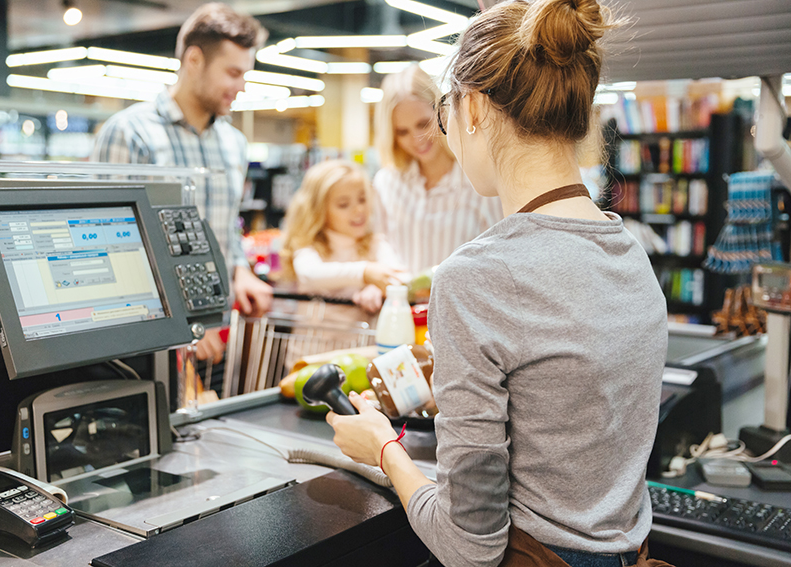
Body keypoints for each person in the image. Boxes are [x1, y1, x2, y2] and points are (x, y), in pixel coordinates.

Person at [327, 1, 671, 567]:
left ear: (477, 109)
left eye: (445, 110)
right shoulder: (630, 252)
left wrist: (385, 451)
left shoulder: (473, 278)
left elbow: (470, 546)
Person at [92, 3, 272, 363]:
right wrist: (181, 322)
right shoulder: (131, 133)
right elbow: (111, 242)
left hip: (217, 331)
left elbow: (226, 228)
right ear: (194, 60)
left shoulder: (233, 143)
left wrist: (240, 270)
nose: (241, 86)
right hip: (148, 339)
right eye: (233, 73)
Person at [372, 64, 503, 276]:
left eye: (423, 124)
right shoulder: (386, 183)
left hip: (462, 305)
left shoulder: (479, 179)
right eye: (402, 132)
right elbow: (378, 241)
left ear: (443, 111)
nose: (417, 140)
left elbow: (501, 252)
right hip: (403, 306)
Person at [280, 160, 405, 317]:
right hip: (311, 340)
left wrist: (377, 287)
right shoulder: (308, 246)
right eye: (343, 204)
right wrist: (365, 272)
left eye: (362, 199)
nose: (359, 210)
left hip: (363, 340)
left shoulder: (375, 244)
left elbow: (402, 277)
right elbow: (309, 274)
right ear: (319, 210)